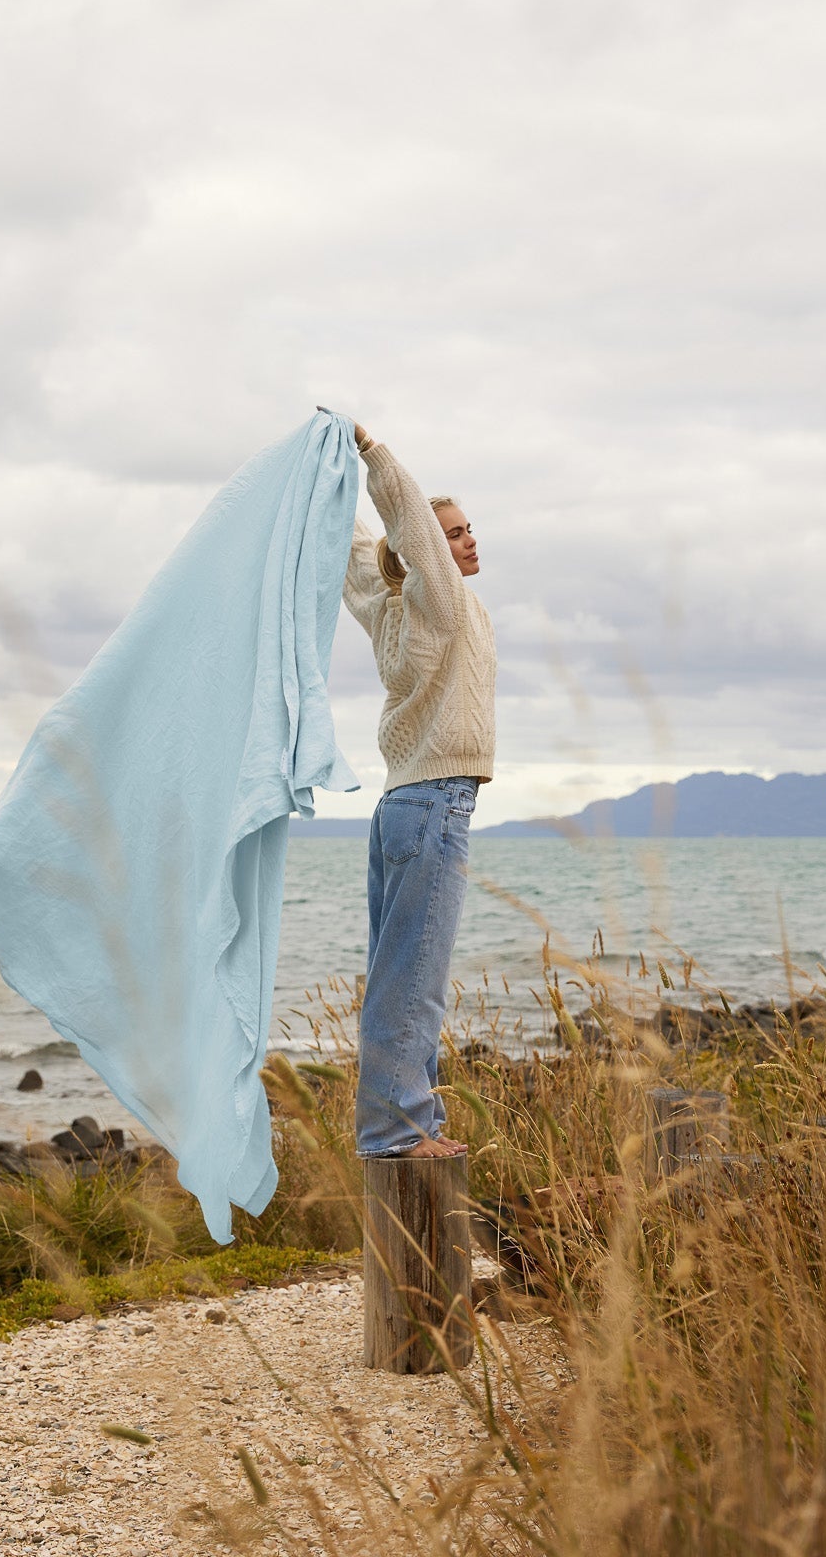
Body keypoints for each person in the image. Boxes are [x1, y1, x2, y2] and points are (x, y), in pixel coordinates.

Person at [343, 421, 497, 1160]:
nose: (466, 542)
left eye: (469, 530)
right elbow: (405, 525)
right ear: (423, 554)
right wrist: (373, 456)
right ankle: (396, 1132)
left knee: (396, 973)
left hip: (400, 808)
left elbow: (355, 559)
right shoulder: (435, 600)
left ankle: (410, 1123)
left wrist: (326, 489)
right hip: (434, 805)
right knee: (413, 980)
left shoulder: (390, 606)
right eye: (450, 535)